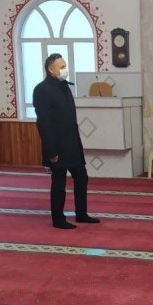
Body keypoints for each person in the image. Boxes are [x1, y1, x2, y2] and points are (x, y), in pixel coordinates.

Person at [33, 53, 99, 229]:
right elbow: (44, 123)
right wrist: (50, 151)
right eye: (61, 67)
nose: (65, 70)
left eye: (65, 66)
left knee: (81, 177)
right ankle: (58, 219)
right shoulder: (42, 89)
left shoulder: (64, 87)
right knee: (59, 182)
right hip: (57, 146)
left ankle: (81, 214)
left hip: (72, 144)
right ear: (51, 69)